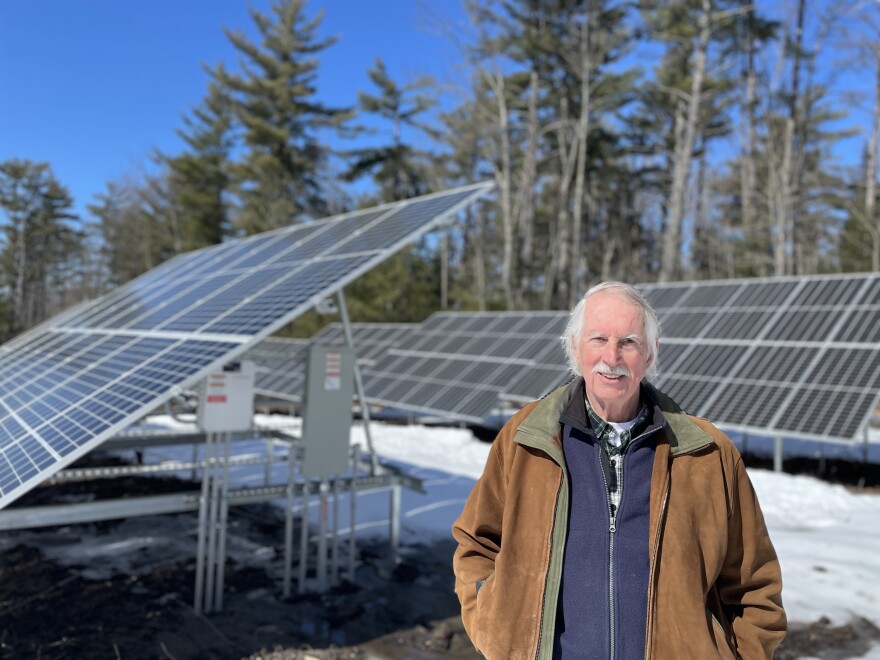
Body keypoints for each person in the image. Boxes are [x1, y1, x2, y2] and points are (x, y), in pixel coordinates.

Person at [452, 281, 786, 660]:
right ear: (575, 348)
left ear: (650, 354)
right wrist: (493, 627)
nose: (611, 356)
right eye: (598, 339)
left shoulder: (708, 454)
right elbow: (477, 544)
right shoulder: (526, 439)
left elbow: (754, 587)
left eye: (628, 341)